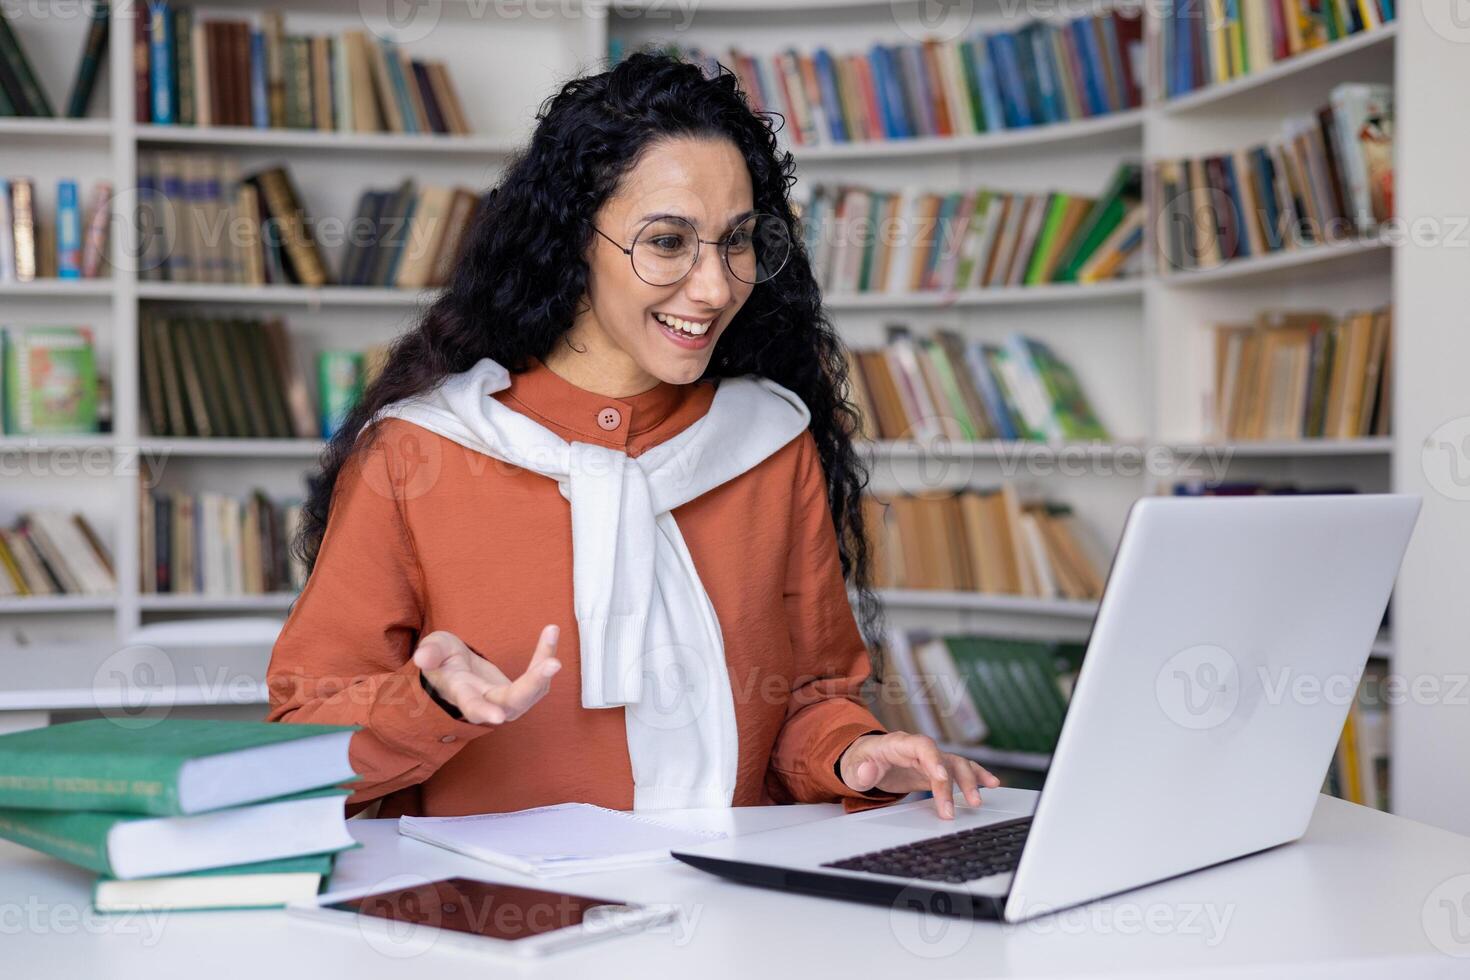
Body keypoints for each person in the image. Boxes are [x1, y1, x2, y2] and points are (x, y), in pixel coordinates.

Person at [265, 52, 999, 820]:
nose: (716, 288)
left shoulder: (770, 445)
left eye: (737, 240)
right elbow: (298, 751)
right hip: (489, 923)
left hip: (728, 912)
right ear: (573, 241)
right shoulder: (419, 450)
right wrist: (426, 703)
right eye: (668, 242)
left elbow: (808, 700)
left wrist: (853, 753)